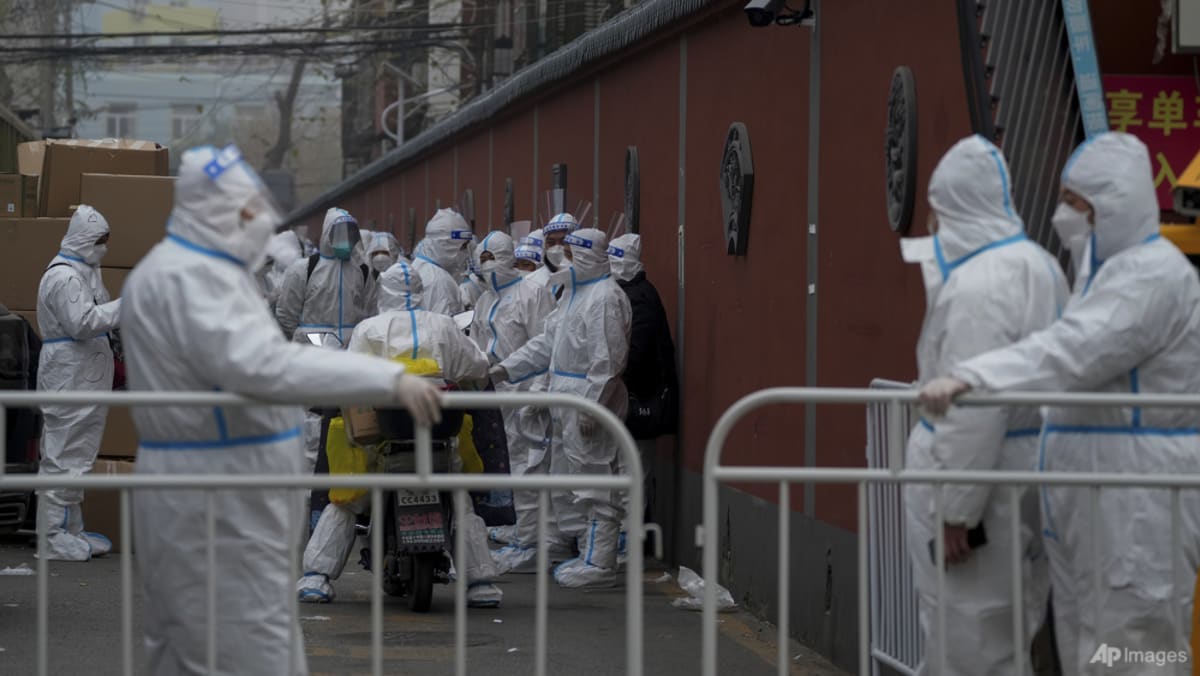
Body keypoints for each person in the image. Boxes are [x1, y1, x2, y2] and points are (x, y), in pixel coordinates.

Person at [121, 144, 442, 676]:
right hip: (214, 492)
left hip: (216, 485)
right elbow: (263, 366)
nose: (262, 221)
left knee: (196, 641)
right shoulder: (187, 279)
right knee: (240, 641)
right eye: (248, 210)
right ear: (212, 211)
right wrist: (385, 379)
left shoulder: (194, 272)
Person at [919, 132, 1200, 676]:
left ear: (1108, 208)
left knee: (1134, 652)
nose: (1062, 215)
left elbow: (1074, 351)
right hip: (1099, 502)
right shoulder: (1106, 274)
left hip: (1135, 505)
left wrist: (975, 375)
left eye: (1075, 203)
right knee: (1092, 650)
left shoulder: (1153, 276)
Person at [900, 136, 1068, 675]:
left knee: (967, 635)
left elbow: (972, 405)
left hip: (982, 492)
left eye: (937, 210)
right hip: (1020, 475)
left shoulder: (980, 284)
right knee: (1005, 627)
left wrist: (956, 509)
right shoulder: (1039, 265)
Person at [298, 260, 502, 607]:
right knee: (461, 502)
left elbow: (352, 375)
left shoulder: (369, 328)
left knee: (348, 500)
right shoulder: (444, 326)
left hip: (380, 442)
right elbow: (478, 366)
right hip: (441, 440)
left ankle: (317, 577)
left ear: (384, 291)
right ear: (420, 291)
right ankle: (480, 583)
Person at [492, 228, 632, 588]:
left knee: (595, 481)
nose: (561, 258)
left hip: (586, 398)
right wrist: (506, 368)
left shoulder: (605, 298)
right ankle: (583, 551)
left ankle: (600, 562)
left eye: (569, 252)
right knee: (568, 481)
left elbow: (608, 362)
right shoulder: (573, 294)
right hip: (565, 397)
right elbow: (546, 345)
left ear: (584, 256)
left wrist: (593, 408)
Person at [466, 232, 560, 572]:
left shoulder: (532, 293)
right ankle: (520, 533)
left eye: (496, 257)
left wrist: (539, 392)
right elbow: (476, 345)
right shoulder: (485, 299)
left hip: (524, 395)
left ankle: (533, 540)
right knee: (505, 466)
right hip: (494, 394)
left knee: (528, 467)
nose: (489, 264)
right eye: (484, 257)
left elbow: (544, 346)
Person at [35, 205, 122, 561]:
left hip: (82, 378)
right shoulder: (64, 277)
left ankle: (71, 529)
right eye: (101, 241)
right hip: (69, 377)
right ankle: (52, 536)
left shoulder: (85, 273)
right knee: (62, 455)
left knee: (79, 455)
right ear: (87, 240)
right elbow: (82, 322)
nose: (104, 248)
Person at [607, 233, 678, 526]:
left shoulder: (639, 298)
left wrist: (612, 382)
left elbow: (634, 353)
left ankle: (632, 537)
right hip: (632, 396)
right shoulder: (631, 294)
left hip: (639, 398)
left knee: (633, 470)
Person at [275, 207, 369, 346]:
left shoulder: (360, 271)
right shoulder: (303, 269)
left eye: (349, 234)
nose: (346, 239)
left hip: (350, 351)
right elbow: (286, 314)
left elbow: (370, 312)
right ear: (328, 234)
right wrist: (305, 340)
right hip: (313, 353)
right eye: (340, 234)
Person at [412, 209, 472, 316]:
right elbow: (442, 328)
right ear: (446, 244)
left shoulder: (416, 267)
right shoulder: (438, 281)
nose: (466, 252)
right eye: (463, 246)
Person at [362, 231, 405, 316]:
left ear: (393, 253)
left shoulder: (403, 273)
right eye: (376, 253)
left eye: (385, 252)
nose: (380, 257)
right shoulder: (368, 275)